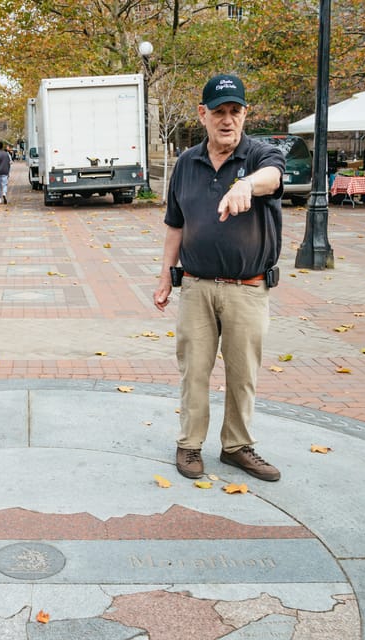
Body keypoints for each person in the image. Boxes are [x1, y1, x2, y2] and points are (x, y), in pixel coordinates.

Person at [152, 74, 285, 483]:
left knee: (243, 374)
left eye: (235, 111)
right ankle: (189, 445)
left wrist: (245, 184)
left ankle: (237, 447)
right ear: (203, 115)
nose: (228, 120)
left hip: (247, 287)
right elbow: (176, 225)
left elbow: (274, 179)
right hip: (195, 286)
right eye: (219, 112)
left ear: (245, 114)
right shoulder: (186, 164)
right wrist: (164, 277)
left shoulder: (261, 155)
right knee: (194, 370)